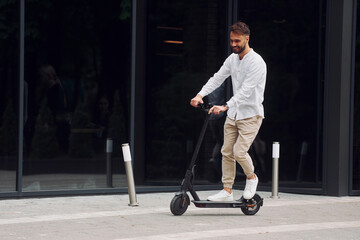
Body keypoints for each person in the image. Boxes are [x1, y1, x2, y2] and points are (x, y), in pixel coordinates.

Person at [190, 21, 267, 201]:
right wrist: (200, 94)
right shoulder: (232, 59)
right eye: (231, 41)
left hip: (251, 115)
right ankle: (227, 191)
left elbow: (246, 91)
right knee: (226, 151)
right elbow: (218, 78)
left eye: (237, 41)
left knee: (239, 152)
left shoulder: (257, 62)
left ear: (247, 39)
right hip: (234, 115)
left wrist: (225, 106)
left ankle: (251, 177)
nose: (233, 44)